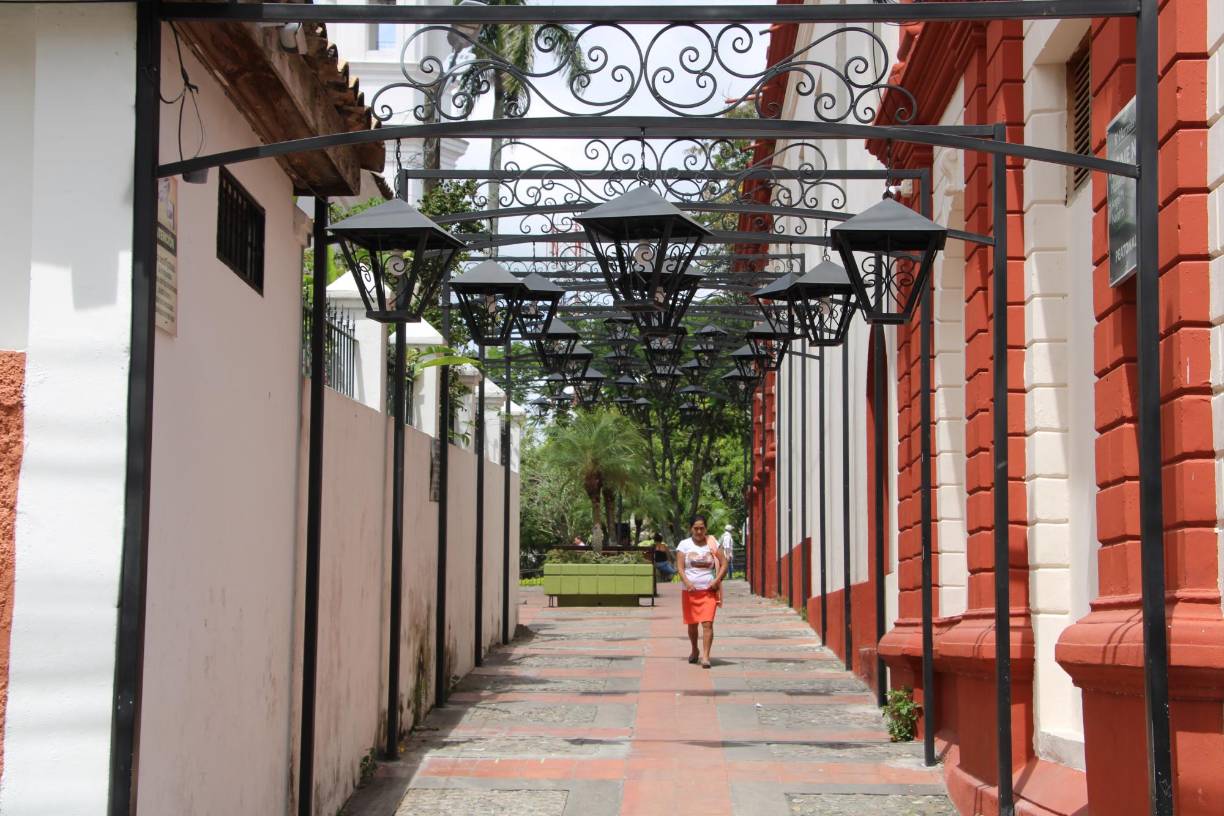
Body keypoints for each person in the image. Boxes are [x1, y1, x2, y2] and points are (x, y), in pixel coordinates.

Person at [676, 513, 727, 668]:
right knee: (692, 625)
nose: (699, 532)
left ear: (706, 528)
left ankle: (706, 656)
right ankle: (694, 650)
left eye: (702, 528)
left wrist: (716, 580)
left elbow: (724, 563)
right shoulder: (684, 545)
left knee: (707, 624)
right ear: (691, 529)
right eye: (696, 528)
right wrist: (687, 582)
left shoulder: (712, 543)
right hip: (690, 592)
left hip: (708, 591)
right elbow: (679, 567)